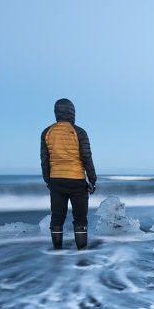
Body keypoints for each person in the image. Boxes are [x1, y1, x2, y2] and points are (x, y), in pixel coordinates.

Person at [40, 98, 98, 250]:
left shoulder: (47, 132)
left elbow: (44, 159)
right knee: (80, 218)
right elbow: (87, 157)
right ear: (72, 113)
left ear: (56, 112)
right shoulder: (79, 132)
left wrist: (48, 180)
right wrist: (92, 179)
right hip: (77, 181)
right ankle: (82, 252)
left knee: (57, 217)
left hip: (56, 181)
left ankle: (57, 251)